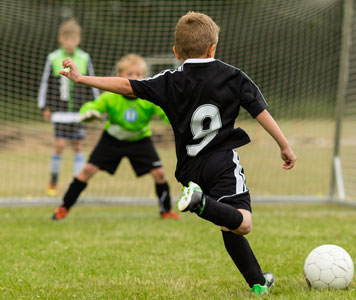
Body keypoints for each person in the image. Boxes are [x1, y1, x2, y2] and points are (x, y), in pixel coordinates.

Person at [59, 11, 296, 295]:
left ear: (175, 51)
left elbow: (125, 85)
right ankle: (200, 203)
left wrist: (82, 78)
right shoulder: (233, 76)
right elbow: (260, 112)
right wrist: (284, 145)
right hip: (221, 162)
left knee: (227, 223)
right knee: (242, 222)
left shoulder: (169, 80)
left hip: (189, 169)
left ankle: (258, 283)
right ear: (213, 47)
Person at [52, 54, 179, 221]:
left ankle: (165, 211)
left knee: (159, 174)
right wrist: (88, 113)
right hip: (112, 139)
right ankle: (64, 207)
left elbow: (167, 113)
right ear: (119, 77)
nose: (135, 78)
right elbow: (91, 107)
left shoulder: (149, 98)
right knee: (87, 171)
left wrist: (177, 121)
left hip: (140, 140)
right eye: (130, 74)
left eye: (139, 74)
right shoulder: (110, 96)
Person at [38, 18, 99, 196]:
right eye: (67, 39)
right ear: (60, 39)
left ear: (78, 40)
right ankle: (53, 181)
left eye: (73, 39)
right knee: (60, 145)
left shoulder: (84, 58)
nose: (70, 43)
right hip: (59, 112)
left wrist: (94, 106)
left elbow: (92, 83)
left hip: (79, 113)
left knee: (78, 146)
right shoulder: (53, 58)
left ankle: (75, 184)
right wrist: (45, 107)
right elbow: (45, 83)